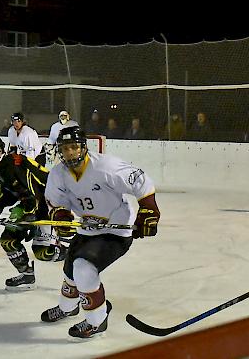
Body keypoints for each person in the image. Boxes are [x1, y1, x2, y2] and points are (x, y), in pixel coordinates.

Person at [40, 126, 161, 339]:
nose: (70, 153)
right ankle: (68, 308)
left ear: (84, 148)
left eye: (74, 147)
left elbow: (140, 180)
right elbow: (55, 201)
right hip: (88, 229)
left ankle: (97, 321)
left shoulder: (105, 166)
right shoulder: (58, 173)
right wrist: (60, 216)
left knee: (83, 268)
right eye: (65, 148)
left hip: (115, 231)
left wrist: (149, 209)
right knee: (70, 270)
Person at [0, 135, 69, 291]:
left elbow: (33, 190)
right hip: (31, 204)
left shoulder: (11, 164)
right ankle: (27, 276)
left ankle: (72, 252)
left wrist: (30, 214)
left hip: (49, 202)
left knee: (43, 252)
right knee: (8, 240)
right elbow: (7, 194)